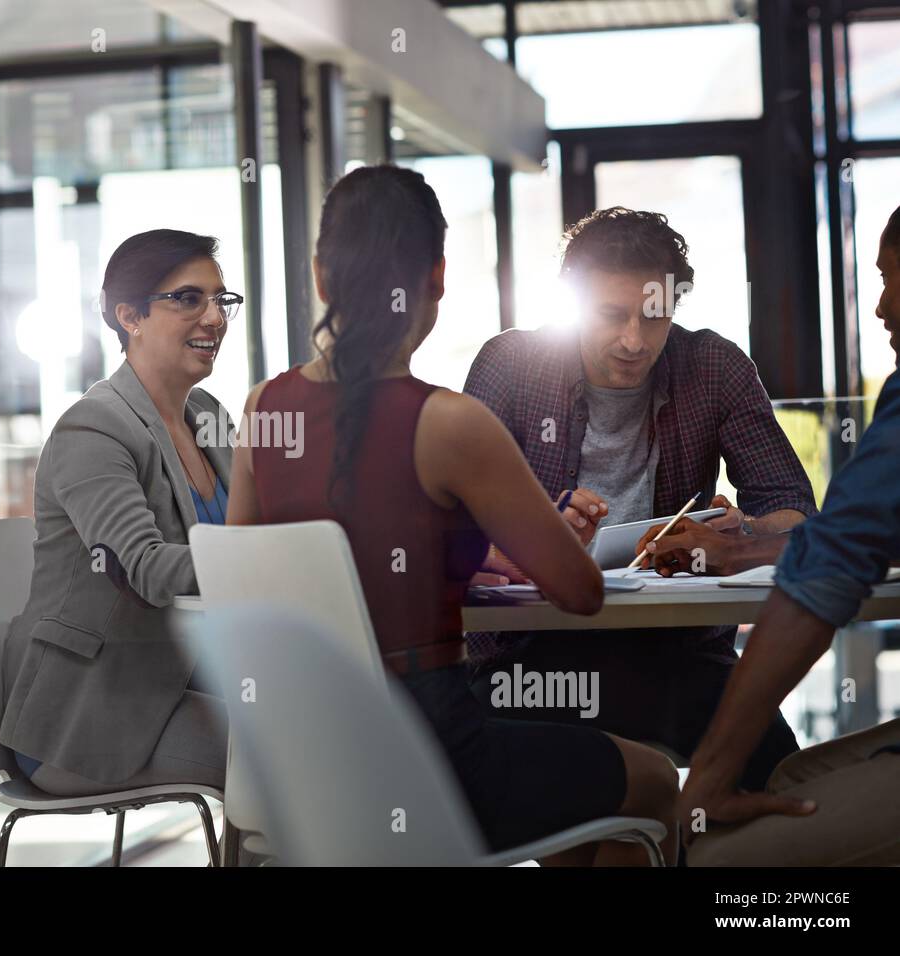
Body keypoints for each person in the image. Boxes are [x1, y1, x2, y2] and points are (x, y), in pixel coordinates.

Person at [225, 166, 679, 864]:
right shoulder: (449, 422)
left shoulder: (262, 409)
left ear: (320, 275)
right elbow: (581, 592)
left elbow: (246, 589)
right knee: (652, 778)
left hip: (301, 759)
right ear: (436, 277)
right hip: (431, 753)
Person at [463, 207, 815, 789]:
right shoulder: (511, 366)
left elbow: (798, 513)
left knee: (778, 770)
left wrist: (740, 536)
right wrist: (533, 536)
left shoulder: (714, 366)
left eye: (654, 317)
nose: (634, 340)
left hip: (675, 651)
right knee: (572, 791)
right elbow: (452, 530)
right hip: (529, 654)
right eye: (612, 315)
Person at [680, 203, 900, 866]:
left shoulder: (713, 366)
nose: (882, 307)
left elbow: (826, 560)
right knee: (789, 775)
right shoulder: (515, 371)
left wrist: (708, 778)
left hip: (679, 662)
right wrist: (741, 548)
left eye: (894, 279)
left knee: (715, 857)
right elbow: (860, 535)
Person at [0, 229, 243, 796]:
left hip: (187, 682)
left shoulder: (208, 415)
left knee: (335, 725)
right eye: (188, 298)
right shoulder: (94, 427)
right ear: (129, 315)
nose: (214, 317)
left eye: (221, 299)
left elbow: (250, 535)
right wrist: (277, 564)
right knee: (294, 756)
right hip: (87, 716)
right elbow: (148, 570)